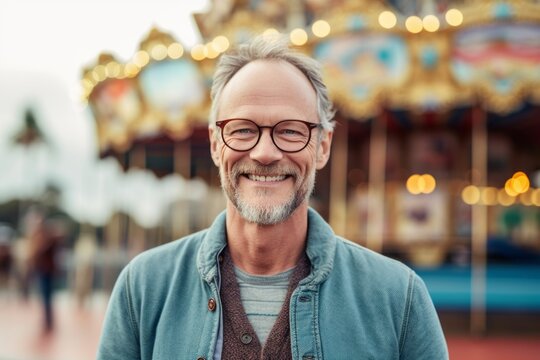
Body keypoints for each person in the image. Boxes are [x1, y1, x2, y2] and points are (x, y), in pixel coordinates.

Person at [98, 35, 448, 359]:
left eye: (291, 131)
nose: (265, 153)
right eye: (243, 130)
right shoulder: (143, 289)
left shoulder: (398, 299)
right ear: (215, 144)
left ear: (322, 146)